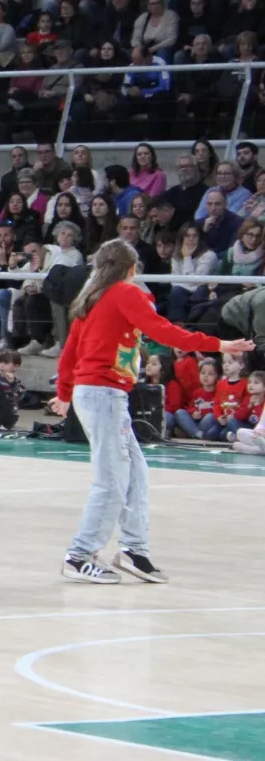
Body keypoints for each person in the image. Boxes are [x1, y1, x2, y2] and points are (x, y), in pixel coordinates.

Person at [49, 239, 251, 584]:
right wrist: (218, 345)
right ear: (132, 268)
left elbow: (70, 352)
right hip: (103, 394)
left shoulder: (91, 299)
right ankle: (80, 554)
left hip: (99, 394)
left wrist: (65, 393)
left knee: (135, 474)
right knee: (111, 480)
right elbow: (164, 331)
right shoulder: (124, 294)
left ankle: (133, 549)